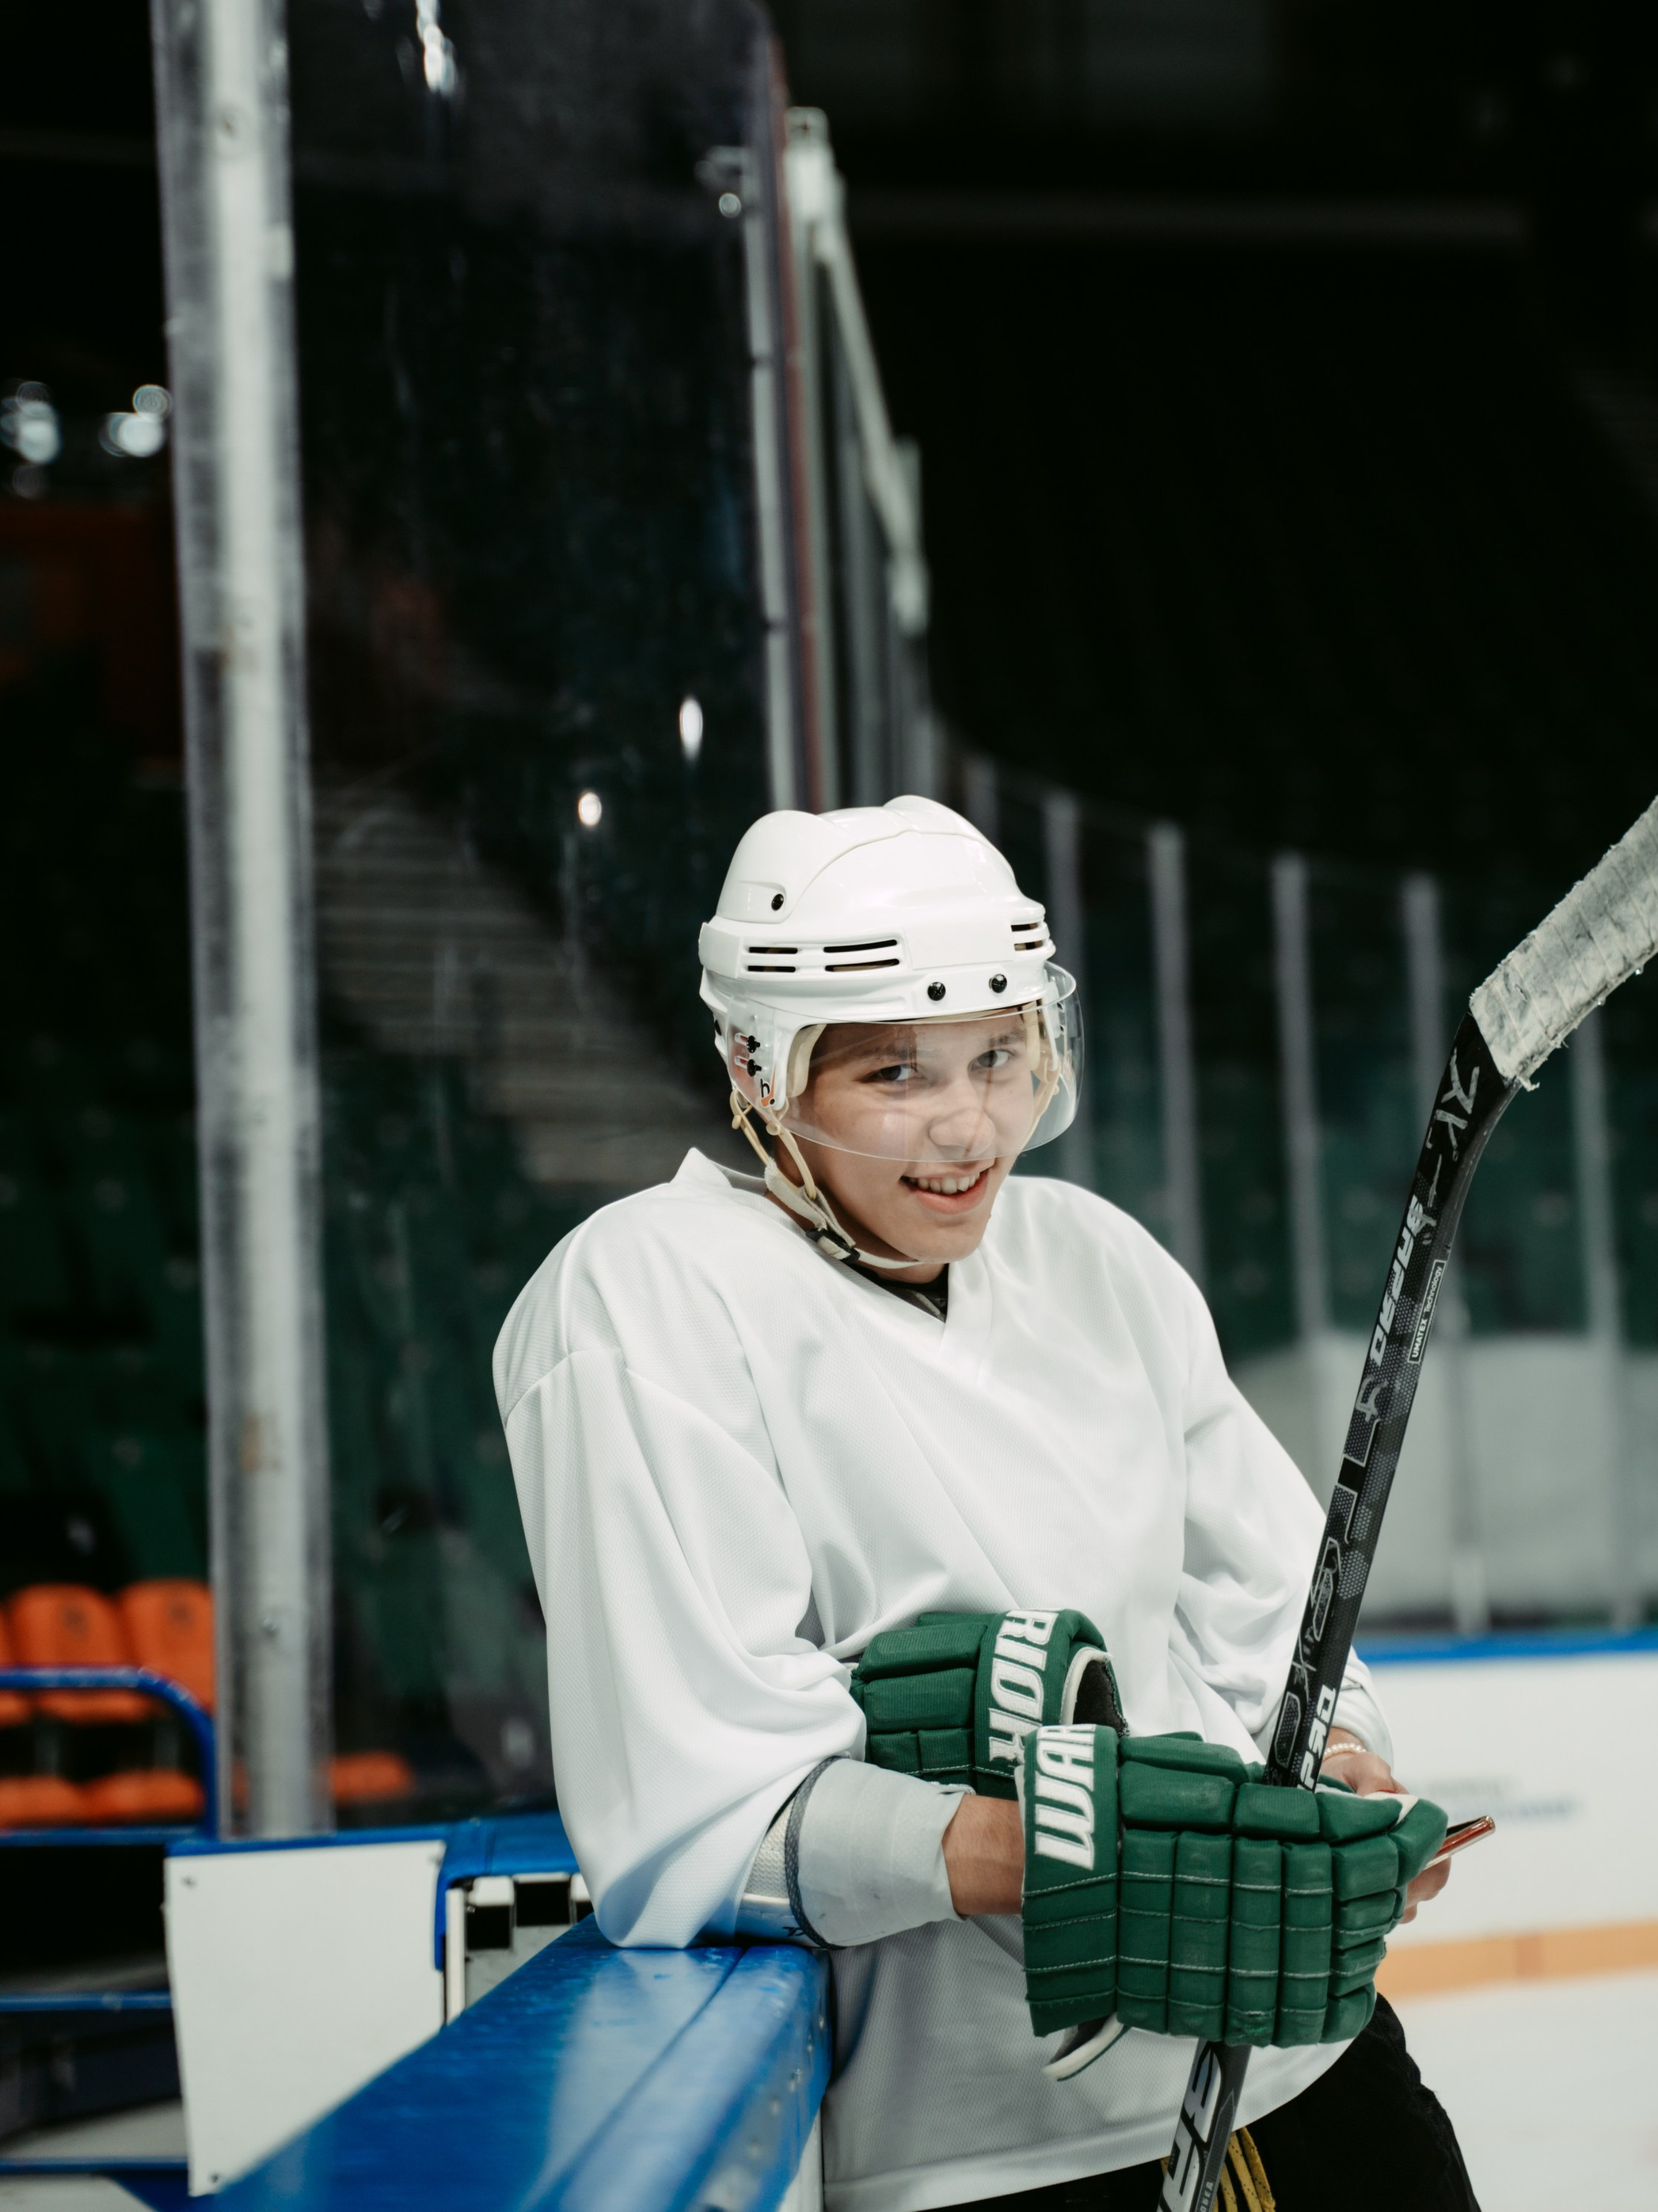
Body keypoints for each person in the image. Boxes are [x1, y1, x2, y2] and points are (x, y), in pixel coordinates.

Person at [496, 795, 1477, 2212]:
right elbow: (698, 1817)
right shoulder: (643, 1303)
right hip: (983, 2155)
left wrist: (1334, 1779)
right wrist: (1056, 1859)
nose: (969, 1124)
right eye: (893, 1072)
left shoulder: (1099, 1261)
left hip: (1311, 2072)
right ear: (759, 1073)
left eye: (1001, 1055)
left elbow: (1278, 1620)